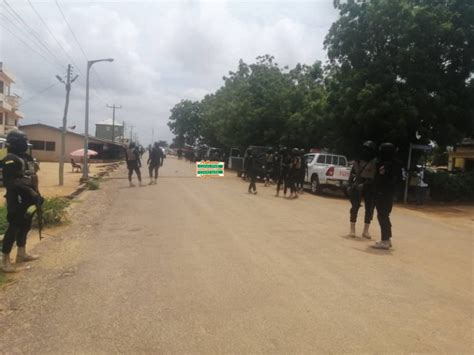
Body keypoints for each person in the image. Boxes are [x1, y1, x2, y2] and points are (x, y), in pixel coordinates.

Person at [1, 130, 43, 273]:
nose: (25, 144)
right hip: (16, 199)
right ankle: (4, 260)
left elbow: (32, 177)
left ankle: (21, 254)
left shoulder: (26, 158)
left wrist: (37, 194)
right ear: (15, 143)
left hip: (29, 199)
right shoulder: (10, 159)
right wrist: (30, 192)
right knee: (14, 227)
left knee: (25, 225)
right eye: (22, 141)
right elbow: (10, 182)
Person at [347, 140, 377, 238]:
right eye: (365, 148)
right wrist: (349, 184)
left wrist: (365, 184)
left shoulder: (374, 162)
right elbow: (352, 174)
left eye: (368, 149)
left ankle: (366, 231)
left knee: (369, 208)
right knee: (355, 207)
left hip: (369, 186)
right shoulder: (358, 160)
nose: (366, 151)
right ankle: (352, 229)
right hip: (357, 185)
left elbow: (374, 177)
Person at [372, 142, 399, 249]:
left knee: (382, 216)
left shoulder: (387, 165)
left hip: (383, 193)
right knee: (384, 216)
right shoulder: (395, 163)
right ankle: (387, 239)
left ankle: (385, 240)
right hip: (389, 194)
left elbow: (382, 179)